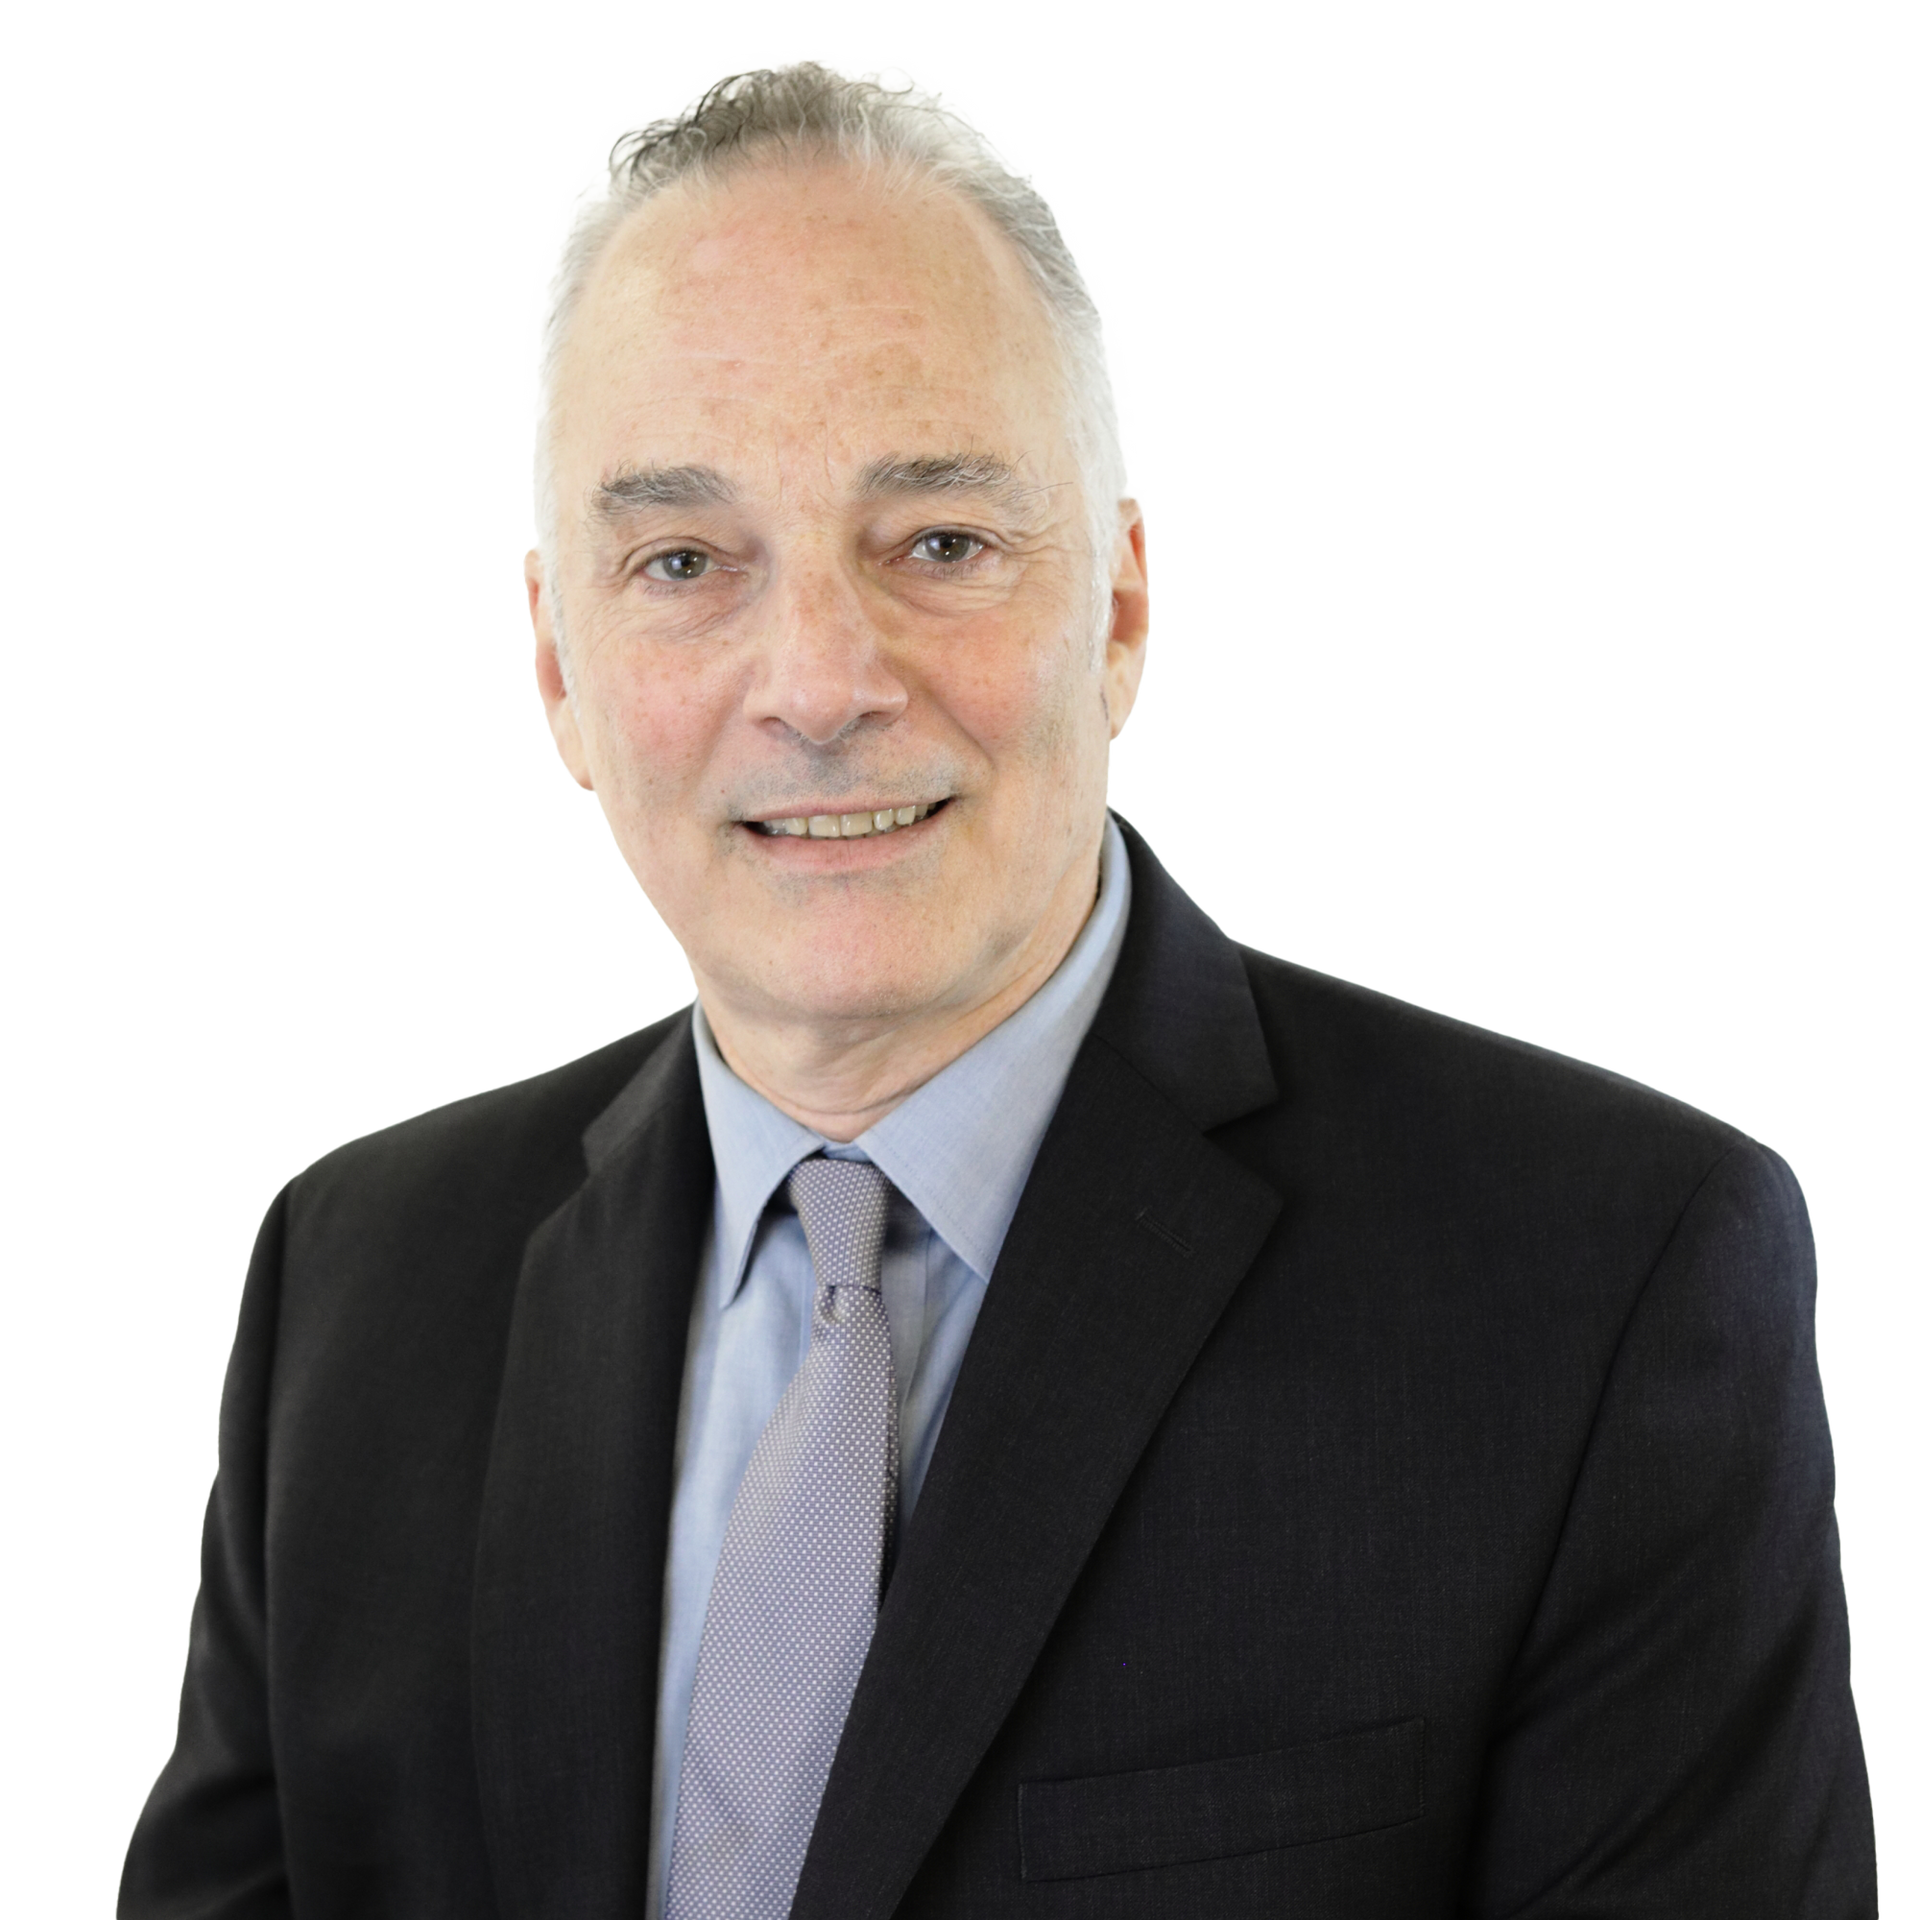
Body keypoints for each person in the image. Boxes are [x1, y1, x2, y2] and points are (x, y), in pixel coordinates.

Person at [119, 51, 1876, 1920]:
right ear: (558, 661)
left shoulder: (1604, 1277)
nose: (815, 682)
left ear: (1119, 597)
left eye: (938, 542)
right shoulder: (356, 1280)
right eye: (686, 559)